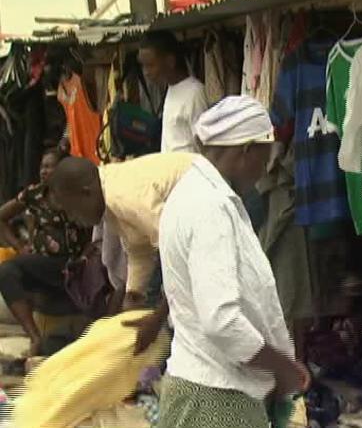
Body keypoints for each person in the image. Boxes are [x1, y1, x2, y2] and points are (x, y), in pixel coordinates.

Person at [156, 95, 308, 428]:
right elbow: (221, 321)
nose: (263, 171)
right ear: (246, 151)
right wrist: (282, 367)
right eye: (263, 159)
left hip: (201, 388)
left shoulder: (190, 194)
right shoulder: (210, 207)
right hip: (218, 399)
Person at [48, 152, 196, 345]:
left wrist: (158, 316)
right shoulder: (109, 198)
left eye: (71, 210)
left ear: (86, 192)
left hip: (213, 202)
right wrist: (133, 294)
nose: (72, 218)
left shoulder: (122, 198)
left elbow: (182, 250)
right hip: (189, 231)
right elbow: (138, 248)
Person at [0, 148, 90, 355]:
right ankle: (34, 337)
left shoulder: (78, 194)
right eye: (42, 167)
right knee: (6, 272)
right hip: (43, 264)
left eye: (50, 166)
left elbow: (95, 231)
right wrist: (19, 247)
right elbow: (2, 217)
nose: (44, 171)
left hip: (75, 265)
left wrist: (85, 258)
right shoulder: (34, 194)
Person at [137, 30, 208, 153]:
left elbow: (205, 146)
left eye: (150, 65)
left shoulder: (194, 93)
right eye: (143, 66)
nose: (146, 72)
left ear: (170, 61)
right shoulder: (171, 89)